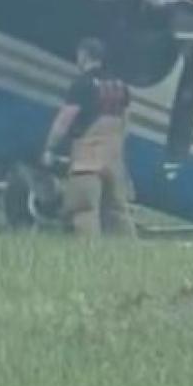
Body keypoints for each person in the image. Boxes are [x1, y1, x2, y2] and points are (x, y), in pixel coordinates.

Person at [42, 37, 136, 238]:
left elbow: (65, 119)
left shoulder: (81, 84)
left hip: (88, 156)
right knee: (117, 210)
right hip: (114, 155)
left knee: (83, 208)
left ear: (83, 55)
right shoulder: (120, 85)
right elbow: (126, 121)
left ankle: (89, 255)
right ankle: (128, 254)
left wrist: (50, 147)